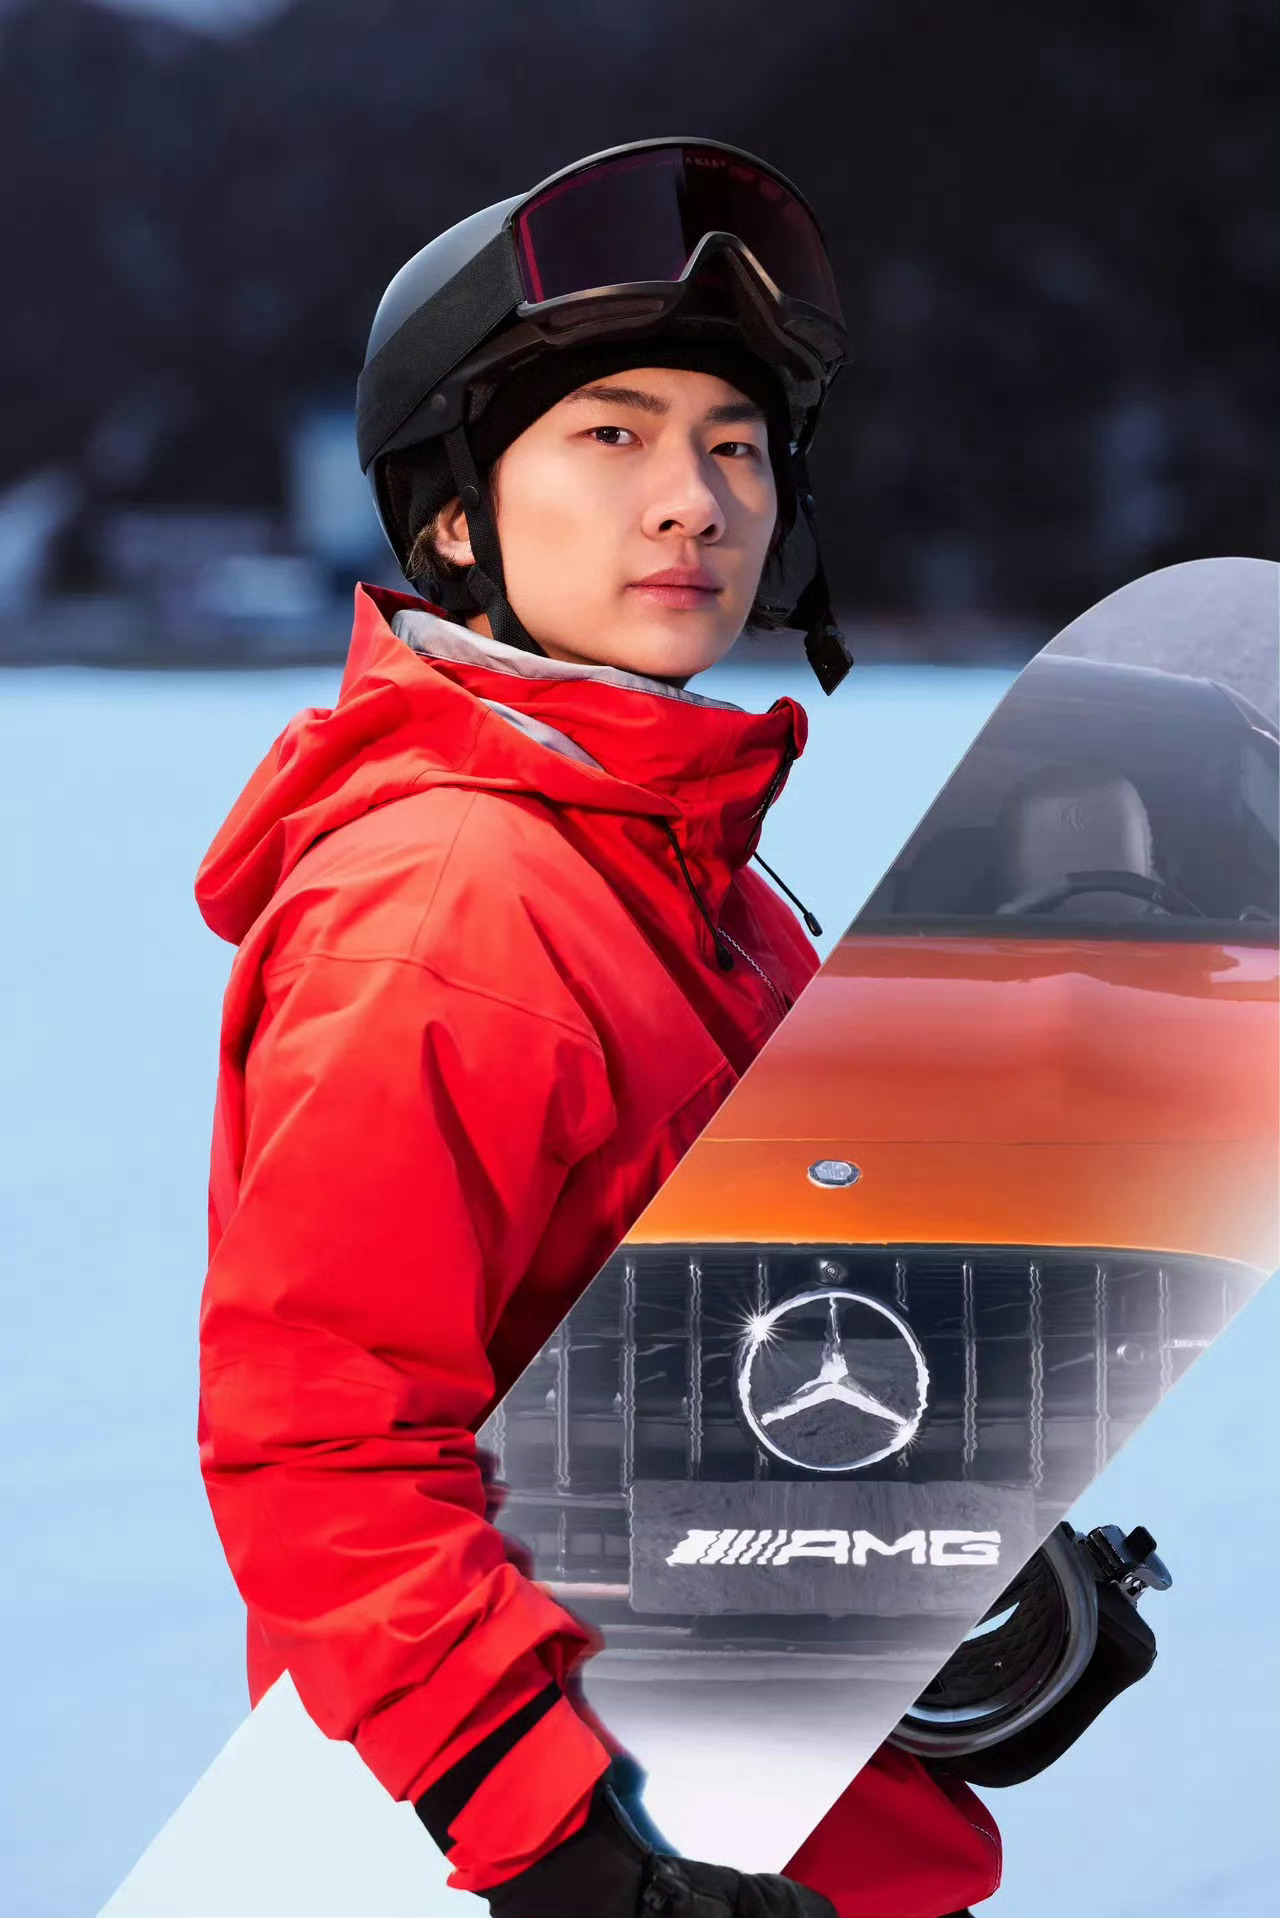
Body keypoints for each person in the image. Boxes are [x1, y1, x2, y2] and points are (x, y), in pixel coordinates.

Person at [194, 140, 1002, 1918]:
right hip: (569, 1847)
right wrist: (552, 1845)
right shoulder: (455, 901)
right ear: (457, 517)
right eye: (613, 435)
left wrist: (952, 1587)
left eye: (735, 444)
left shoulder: (684, 868)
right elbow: (324, 1440)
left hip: (794, 1823)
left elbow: (735, 1339)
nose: (693, 501)